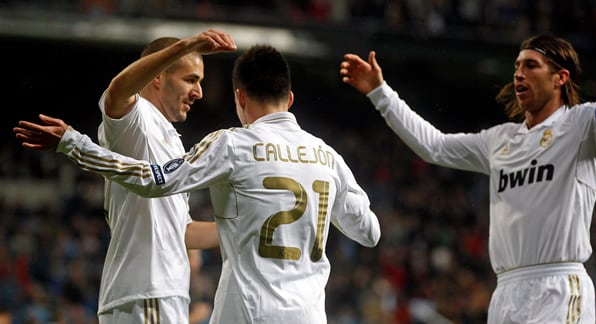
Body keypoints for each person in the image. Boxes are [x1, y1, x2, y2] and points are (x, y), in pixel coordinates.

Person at [14, 44, 381, 323]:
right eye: (192, 80)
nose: (199, 92)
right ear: (290, 99)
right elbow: (369, 232)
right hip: (307, 314)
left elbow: (156, 185)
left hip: (245, 312)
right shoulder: (328, 157)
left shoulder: (231, 144)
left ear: (240, 97)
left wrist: (74, 145)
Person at [339, 4, 596, 323]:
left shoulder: (583, 126)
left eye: (531, 65)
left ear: (560, 77)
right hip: (506, 293)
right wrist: (380, 93)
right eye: (517, 66)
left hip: (558, 287)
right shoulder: (500, 140)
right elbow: (434, 146)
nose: (518, 73)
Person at [65, 29, 236, 323]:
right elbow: (118, 89)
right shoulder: (137, 121)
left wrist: (246, 225)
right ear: (158, 77)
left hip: (157, 293)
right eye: (191, 79)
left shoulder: (170, 138)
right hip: (149, 290)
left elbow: (182, 232)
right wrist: (187, 45)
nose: (199, 93)